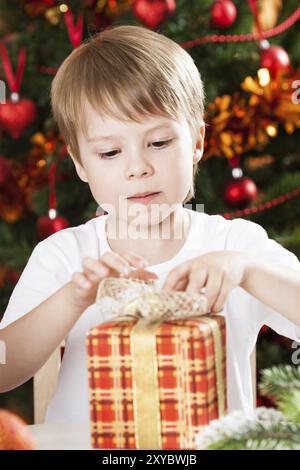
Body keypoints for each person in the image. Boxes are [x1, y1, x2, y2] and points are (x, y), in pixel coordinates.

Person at [0, 25, 299, 425]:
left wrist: (247, 271)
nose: (138, 168)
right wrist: (72, 298)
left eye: (159, 143)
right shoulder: (65, 255)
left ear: (196, 143)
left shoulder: (234, 244)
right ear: (80, 164)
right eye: (109, 152)